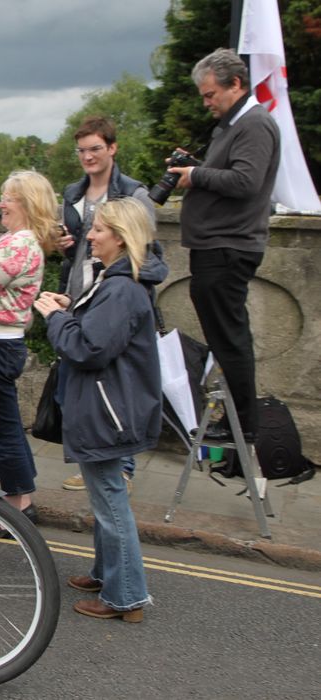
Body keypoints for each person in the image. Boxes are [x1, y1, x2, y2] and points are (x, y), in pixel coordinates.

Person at [35, 197, 167, 622]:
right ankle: (106, 573)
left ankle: (126, 596)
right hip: (110, 406)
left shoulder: (122, 288)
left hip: (108, 410)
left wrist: (55, 318)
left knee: (110, 502)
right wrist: (72, 308)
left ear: (121, 238)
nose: (89, 236)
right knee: (104, 499)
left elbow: (87, 348)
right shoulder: (119, 281)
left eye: (98, 231)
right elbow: (102, 334)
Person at [168, 48, 280, 442]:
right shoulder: (234, 125)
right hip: (216, 245)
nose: (206, 103)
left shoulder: (254, 124)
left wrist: (196, 175)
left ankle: (242, 427)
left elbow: (246, 182)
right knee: (224, 338)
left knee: (230, 339)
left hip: (228, 247)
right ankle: (235, 422)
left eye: (210, 94)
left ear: (235, 84)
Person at [58, 116, 155, 493]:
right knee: (75, 390)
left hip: (111, 297)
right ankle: (96, 465)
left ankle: (120, 469)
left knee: (113, 390)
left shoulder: (133, 194)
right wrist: (65, 248)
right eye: (81, 150)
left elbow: (145, 251)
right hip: (80, 293)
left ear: (112, 148)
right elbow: (77, 252)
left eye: (95, 149)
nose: (88, 157)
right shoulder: (72, 193)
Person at [0, 171, 57, 538]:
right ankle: (22, 498)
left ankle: (19, 505)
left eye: (8, 197)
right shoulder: (15, 239)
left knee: (1, 428)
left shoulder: (20, 244)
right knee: (1, 426)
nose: (0, 203)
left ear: (28, 203)